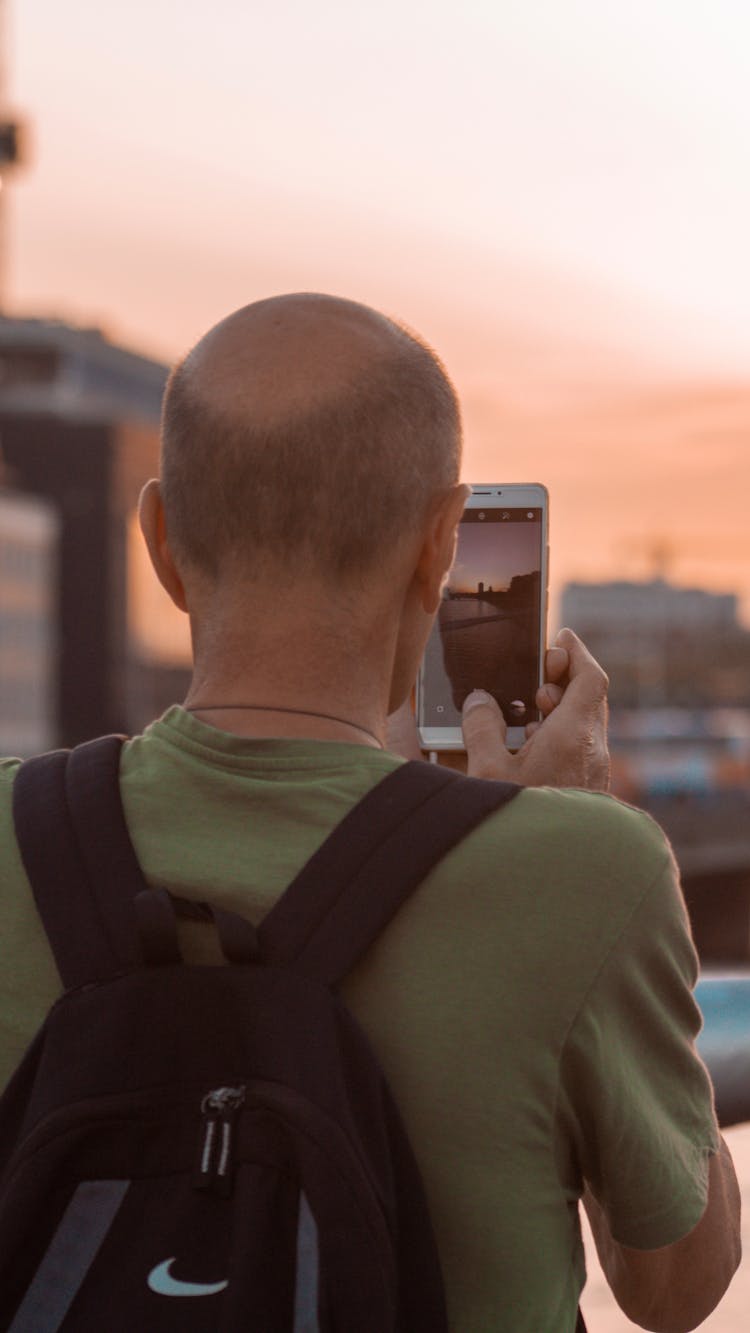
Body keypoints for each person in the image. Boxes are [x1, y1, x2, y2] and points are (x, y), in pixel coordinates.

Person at [0, 293, 740, 1331]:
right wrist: (543, 836)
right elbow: (677, 1288)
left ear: (161, 541)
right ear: (442, 549)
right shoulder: (585, 871)